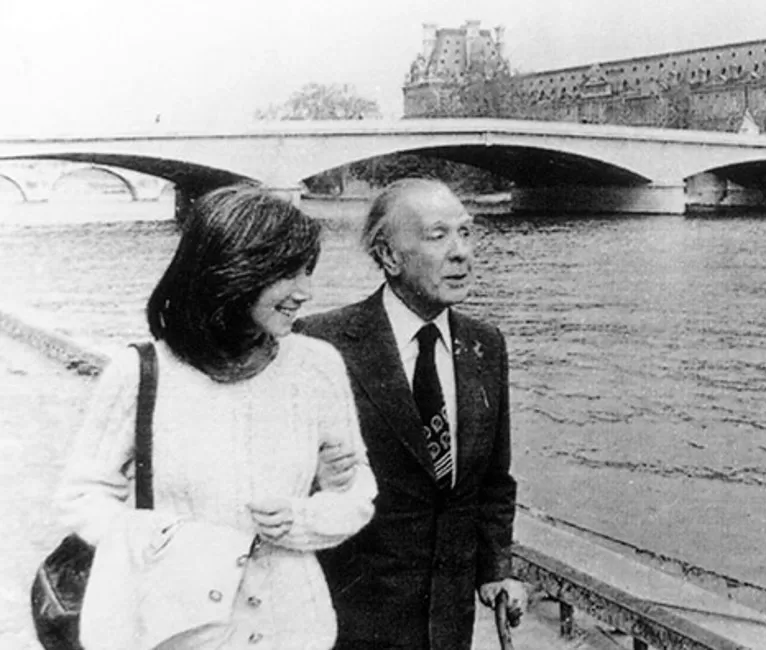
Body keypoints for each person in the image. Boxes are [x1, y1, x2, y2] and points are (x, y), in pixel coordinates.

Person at [57, 184, 378, 650]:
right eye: (288, 274)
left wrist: (303, 518)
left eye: (308, 272)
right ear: (232, 273)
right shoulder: (140, 373)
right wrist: (168, 544)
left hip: (292, 630)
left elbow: (356, 490)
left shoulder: (317, 366)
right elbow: (81, 493)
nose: (306, 293)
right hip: (178, 632)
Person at [297, 178, 526, 650]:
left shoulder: (486, 344)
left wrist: (496, 569)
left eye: (466, 232)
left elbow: (493, 481)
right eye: (437, 235)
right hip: (351, 621)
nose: (461, 252)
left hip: (449, 621)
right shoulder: (321, 344)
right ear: (388, 256)